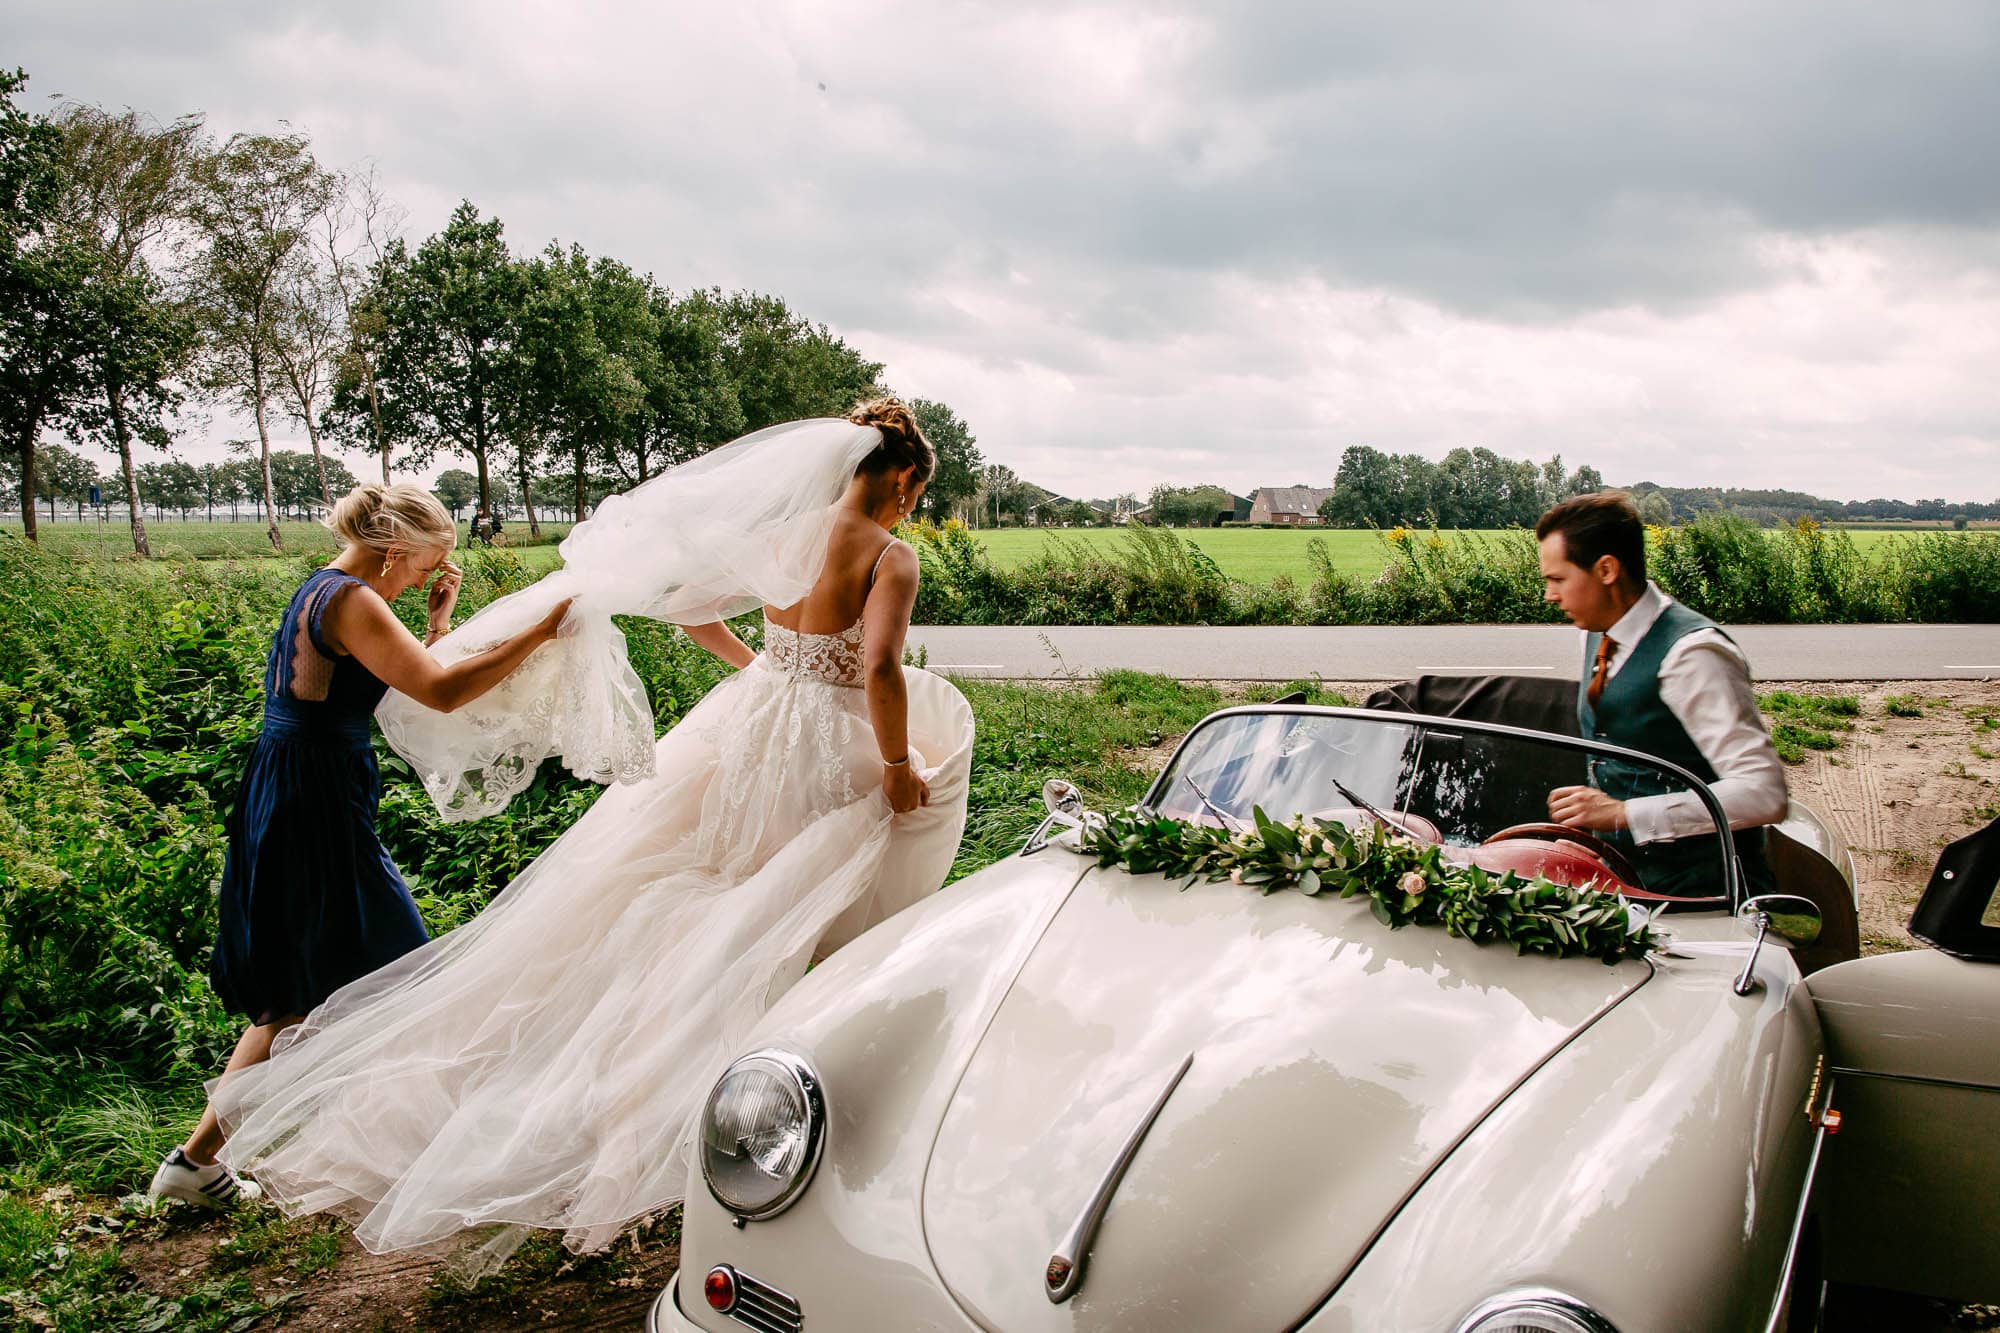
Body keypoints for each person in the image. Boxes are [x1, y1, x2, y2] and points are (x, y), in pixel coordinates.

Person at [205, 400, 974, 1262]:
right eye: (913, 492)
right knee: (798, 908)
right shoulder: (891, 554)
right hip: (827, 747)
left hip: (756, 727)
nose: (909, 507)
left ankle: (697, 1097)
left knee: (718, 889)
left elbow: (688, 609)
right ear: (901, 479)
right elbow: (879, 668)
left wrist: (767, 669)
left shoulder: (787, 533)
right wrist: (901, 763)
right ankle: (777, 1107)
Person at [148, 484, 572, 1209]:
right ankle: (435, 1154)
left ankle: (193, 1164)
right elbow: (438, 693)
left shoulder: (326, 588)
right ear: (396, 549)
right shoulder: (353, 600)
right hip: (314, 805)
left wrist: (437, 619)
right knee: (407, 974)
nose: (418, 582)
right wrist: (537, 634)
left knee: (298, 999)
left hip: (296, 791)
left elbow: (405, 676)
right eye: (420, 569)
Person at [1536, 492, 1786, 896]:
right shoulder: (1595, 632)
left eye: (1558, 579)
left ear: (1606, 570)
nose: (1549, 595)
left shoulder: (1693, 654)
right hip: (1624, 879)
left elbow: (1763, 793)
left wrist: (1623, 814)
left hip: (1704, 892)